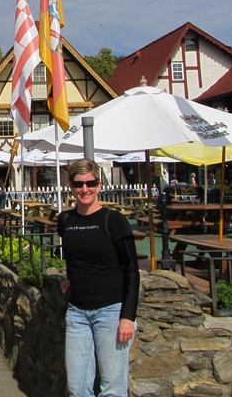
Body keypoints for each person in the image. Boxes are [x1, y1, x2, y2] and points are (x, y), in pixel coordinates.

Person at [57, 159, 139, 397]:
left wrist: (127, 318)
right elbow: (78, 258)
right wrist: (75, 278)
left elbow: (132, 270)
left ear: (99, 184)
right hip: (77, 313)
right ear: (70, 186)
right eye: (79, 184)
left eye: (90, 183)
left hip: (111, 313)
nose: (85, 189)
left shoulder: (113, 221)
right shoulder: (65, 221)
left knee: (112, 388)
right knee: (77, 387)